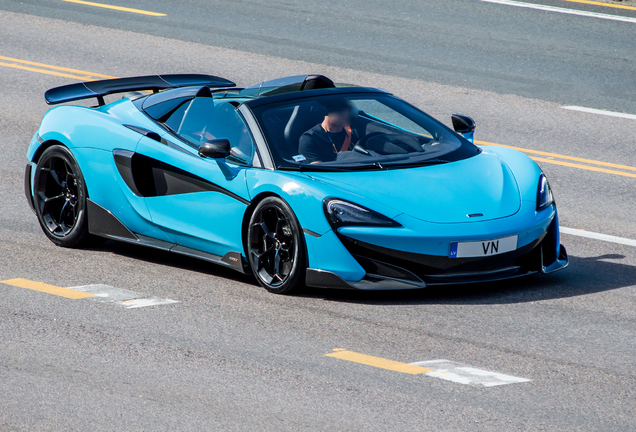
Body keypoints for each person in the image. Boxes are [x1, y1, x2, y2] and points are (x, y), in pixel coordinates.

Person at [298, 97, 359, 163]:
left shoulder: (354, 132)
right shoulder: (309, 138)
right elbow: (317, 169)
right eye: (340, 112)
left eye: (349, 112)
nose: (346, 115)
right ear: (326, 112)